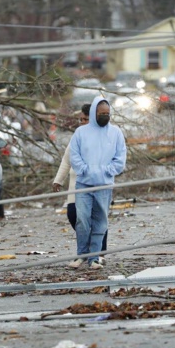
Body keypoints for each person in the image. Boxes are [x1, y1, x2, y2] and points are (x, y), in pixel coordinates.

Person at [68, 97, 126, 270]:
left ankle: (94, 258)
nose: (105, 116)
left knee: (100, 221)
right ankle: (82, 255)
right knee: (82, 220)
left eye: (107, 114)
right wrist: (85, 170)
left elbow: (120, 157)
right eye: (101, 114)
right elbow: (74, 155)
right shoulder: (81, 132)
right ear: (94, 113)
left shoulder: (115, 132)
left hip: (104, 185)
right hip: (84, 184)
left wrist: (107, 171)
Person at [52, 104, 109, 261]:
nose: (82, 122)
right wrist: (58, 180)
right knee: (74, 215)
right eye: (81, 119)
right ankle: (88, 251)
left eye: (85, 119)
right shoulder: (77, 136)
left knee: (98, 218)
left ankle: (99, 253)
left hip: (96, 184)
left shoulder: (103, 136)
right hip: (75, 185)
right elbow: (66, 159)